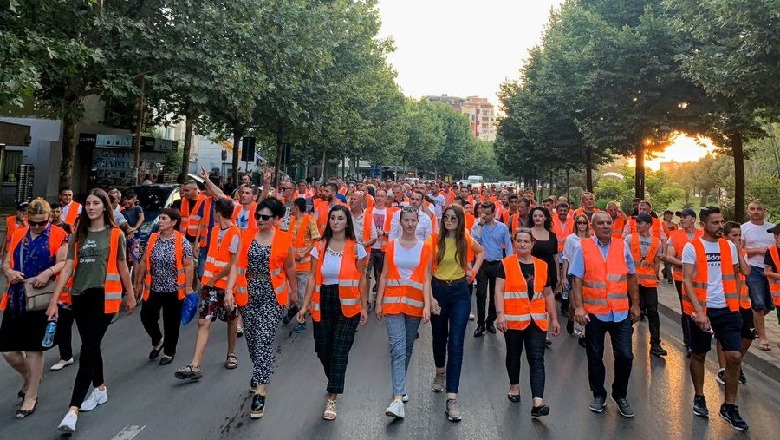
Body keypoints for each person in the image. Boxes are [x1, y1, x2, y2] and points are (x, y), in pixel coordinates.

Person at [48, 189, 135, 434]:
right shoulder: (78, 235)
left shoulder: (116, 234)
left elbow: (122, 266)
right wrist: (55, 300)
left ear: (105, 206)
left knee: (87, 350)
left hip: (104, 299)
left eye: (96, 203)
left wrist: (130, 295)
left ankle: (72, 409)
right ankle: (100, 389)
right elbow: (67, 268)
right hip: (79, 297)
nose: (91, 207)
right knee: (90, 344)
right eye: (88, 203)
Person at [296, 205, 368, 420]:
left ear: (347, 222)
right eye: (333, 218)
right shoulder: (319, 247)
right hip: (323, 301)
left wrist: (364, 306)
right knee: (323, 348)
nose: (336, 222)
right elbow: (312, 277)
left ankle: (332, 397)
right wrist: (305, 304)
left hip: (348, 305)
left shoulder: (357, 249)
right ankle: (333, 380)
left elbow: (363, 278)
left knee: (339, 350)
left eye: (340, 218)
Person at [227, 197, 297, 419]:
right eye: (258, 216)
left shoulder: (284, 239)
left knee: (265, 338)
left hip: (273, 294)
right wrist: (229, 290)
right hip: (248, 293)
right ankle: (259, 370)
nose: (259, 220)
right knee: (251, 338)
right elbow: (237, 264)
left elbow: (290, 267)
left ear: (276, 219)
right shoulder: (246, 235)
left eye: (265, 217)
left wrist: (294, 292)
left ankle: (261, 390)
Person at [1, 199, 68, 418]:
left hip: (40, 299)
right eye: (33, 223)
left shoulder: (59, 235)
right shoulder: (19, 233)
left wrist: (48, 272)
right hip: (16, 297)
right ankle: (31, 378)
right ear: (27, 219)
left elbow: (65, 262)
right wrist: (9, 273)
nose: (37, 227)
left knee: (33, 348)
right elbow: (6, 262)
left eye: (42, 223)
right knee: (8, 351)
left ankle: (31, 396)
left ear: (49, 218)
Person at [682, 206, 748, 431]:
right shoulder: (692, 248)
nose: (721, 226)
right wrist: (699, 311)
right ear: (704, 224)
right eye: (715, 223)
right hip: (702, 309)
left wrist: (736, 304)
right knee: (699, 354)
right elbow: (688, 280)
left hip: (727, 310)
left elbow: (736, 274)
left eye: (722, 222)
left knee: (735, 356)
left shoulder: (728, 246)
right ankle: (699, 396)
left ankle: (729, 406)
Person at [571, 212, 639, 418]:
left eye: (609, 222)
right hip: (594, 314)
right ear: (592, 227)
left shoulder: (622, 246)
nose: (606, 226)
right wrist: (579, 308)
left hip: (620, 313)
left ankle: (620, 395)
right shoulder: (582, 247)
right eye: (600, 223)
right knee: (595, 356)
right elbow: (577, 279)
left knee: (626, 356)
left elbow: (631, 276)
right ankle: (598, 394)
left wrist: (636, 304)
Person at [495, 228, 561, 417]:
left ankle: (537, 403)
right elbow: (499, 290)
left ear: (532, 244)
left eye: (526, 241)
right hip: (513, 320)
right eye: (519, 241)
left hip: (537, 321)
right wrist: (500, 315)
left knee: (536, 359)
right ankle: (514, 386)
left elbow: (548, 293)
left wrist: (554, 318)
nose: (522, 244)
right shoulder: (506, 264)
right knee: (514, 355)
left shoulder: (541, 265)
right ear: (514, 243)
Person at [375, 207, 432, 419]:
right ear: (400, 222)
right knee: (397, 348)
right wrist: (379, 301)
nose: (409, 224)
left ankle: (401, 385)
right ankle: (397, 397)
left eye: (413, 220)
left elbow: (427, 278)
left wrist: (427, 304)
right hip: (392, 302)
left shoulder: (424, 248)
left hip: (415, 303)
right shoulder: (391, 246)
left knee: (407, 347)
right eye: (406, 220)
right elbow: (384, 276)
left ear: (418, 222)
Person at [175, 198, 241, 380]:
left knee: (231, 320)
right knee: (203, 321)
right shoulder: (214, 230)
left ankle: (231, 353)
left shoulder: (235, 234)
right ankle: (195, 365)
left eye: (214, 212)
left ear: (218, 213)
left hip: (227, 286)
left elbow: (233, 263)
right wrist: (208, 280)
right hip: (209, 285)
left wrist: (215, 278)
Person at [430, 204, 484, 422]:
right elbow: (426, 269)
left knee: (456, 343)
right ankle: (440, 371)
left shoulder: (466, 239)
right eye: (446, 217)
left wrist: (474, 272)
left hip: (460, 292)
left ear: (460, 220)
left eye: (453, 217)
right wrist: (430, 298)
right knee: (439, 337)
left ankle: (452, 398)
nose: (449, 220)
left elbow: (481, 253)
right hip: (439, 290)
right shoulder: (434, 240)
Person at [134, 208, 193, 366]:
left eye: (164, 218)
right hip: (154, 288)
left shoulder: (182, 242)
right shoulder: (153, 239)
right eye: (159, 218)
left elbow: (188, 265)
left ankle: (169, 351)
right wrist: (138, 283)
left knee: (171, 322)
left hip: (174, 290)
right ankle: (158, 339)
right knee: (146, 316)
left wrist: (188, 287)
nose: (160, 221)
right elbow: (143, 261)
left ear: (173, 222)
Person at [715, 222, 753, 386]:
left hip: (743, 302)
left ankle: (735, 364)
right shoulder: (719, 253)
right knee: (723, 337)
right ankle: (723, 369)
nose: (738, 239)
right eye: (734, 236)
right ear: (725, 237)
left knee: (748, 337)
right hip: (726, 301)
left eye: (739, 236)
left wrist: (737, 250)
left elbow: (746, 271)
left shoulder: (741, 252)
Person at [626, 213, 667, 357]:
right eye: (636, 223)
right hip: (633, 282)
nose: (637, 226)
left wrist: (655, 277)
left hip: (649, 284)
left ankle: (655, 344)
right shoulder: (630, 238)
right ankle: (625, 338)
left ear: (648, 225)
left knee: (653, 313)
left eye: (640, 223)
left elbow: (656, 262)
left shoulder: (656, 242)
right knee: (631, 310)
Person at [472, 201, 514, 337]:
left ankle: (490, 320)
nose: (486, 216)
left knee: (496, 294)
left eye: (488, 214)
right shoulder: (478, 225)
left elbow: (508, 247)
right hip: (483, 263)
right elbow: (474, 240)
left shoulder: (502, 228)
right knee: (481, 294)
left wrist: (509, 265)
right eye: (483, 213)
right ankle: (480, 324)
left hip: (497, 264)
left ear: (494, 213)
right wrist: (480, 224)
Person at [665, 208, 703, 356]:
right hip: (682, 278)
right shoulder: (675, 235)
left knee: (700, 307)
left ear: (693, 219)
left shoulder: (702, 234)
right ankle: (689, 343)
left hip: (700, 279)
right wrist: (686, 264)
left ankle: (701, 336)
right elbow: (669, 256)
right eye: (681, 218)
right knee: (686, 309)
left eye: (684, 217)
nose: (681, 220)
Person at [740, 200, 776, 351]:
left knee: (770, 305)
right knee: (758, 303)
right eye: (752, 209)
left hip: (771, 270)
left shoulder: (772, 229)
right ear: (748, 212)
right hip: (753, 268)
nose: (756, 211)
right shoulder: (744, 228)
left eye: (759, 209)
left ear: (764, 211)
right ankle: (762, 337)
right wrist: (757, 251)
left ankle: (752, 323)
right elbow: (738, 250)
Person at [287, 197, 321, 333]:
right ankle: (292, 310)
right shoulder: (291, 221)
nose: (291, 208)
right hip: (291, 266)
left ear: (296, 207)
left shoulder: (310, 221)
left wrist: (305, 252)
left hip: (304, 266)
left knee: (302, 294)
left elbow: (317, 240)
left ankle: (302, 320)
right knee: (291, 293)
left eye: (292, 206)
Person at [561, 214, 591, 338]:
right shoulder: (570, 239)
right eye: (580, 222)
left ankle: (583, 334)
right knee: (574, 304)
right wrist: (563, 277)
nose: (582, 225)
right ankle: (571, 320)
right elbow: (566, 258)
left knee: (586, 304)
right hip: (573, 274)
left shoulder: (592, 239)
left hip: (588, 275)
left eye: (584, 223)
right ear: (576, 224)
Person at [121, 189, 144, 273]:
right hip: (126, 237)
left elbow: (142, 218)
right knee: (127, 260)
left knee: (135, 259)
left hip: (135, 237)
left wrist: (134, 228)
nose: (127, 201)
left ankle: (134, 282)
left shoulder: (138, 208)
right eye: (125, 199)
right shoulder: (122, 211)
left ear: (134, 198)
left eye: (129, 199)